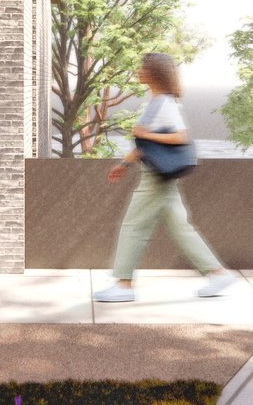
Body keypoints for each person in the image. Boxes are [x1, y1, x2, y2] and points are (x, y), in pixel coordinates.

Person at [93, 52, 238, 302]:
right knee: (181, 228)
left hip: (155, 179)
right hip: (158, 175)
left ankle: (124, 285)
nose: (138, 71)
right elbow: (145, 145)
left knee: (133, 226)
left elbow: (180, 137)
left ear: (155, 72)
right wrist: (123, 164)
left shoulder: (165, 103)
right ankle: (218, 273)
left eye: (142, 68)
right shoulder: (157, 102)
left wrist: (146, 134)